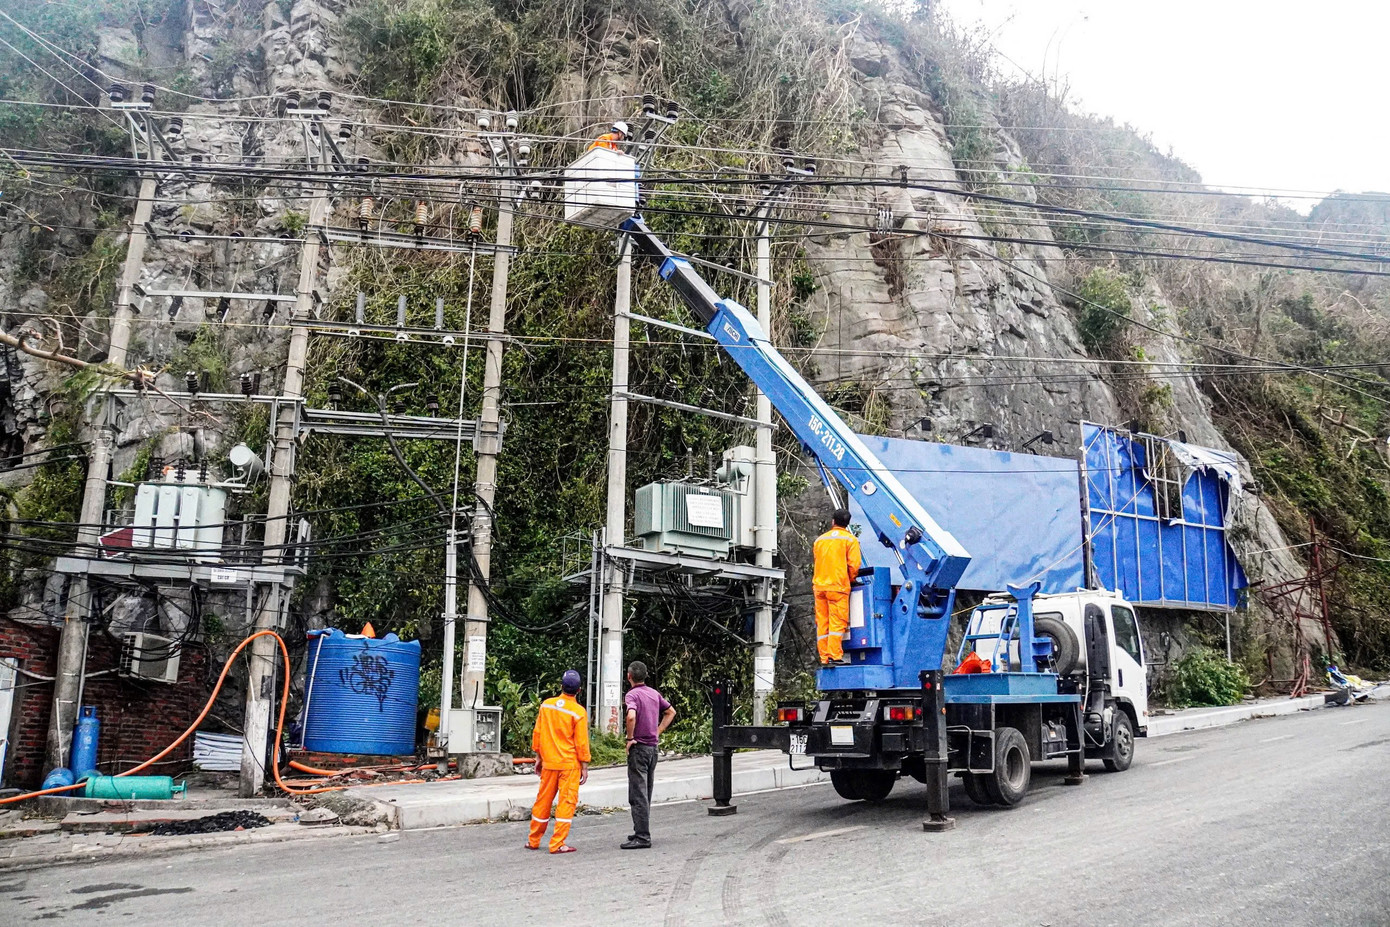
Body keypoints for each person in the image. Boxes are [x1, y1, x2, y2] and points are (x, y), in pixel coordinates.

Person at [526, 669, 591, 854]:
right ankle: (557, 844)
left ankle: (533, 840)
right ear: (579, 690)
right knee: (566, 803)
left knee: (543, 801)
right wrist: (584, 765)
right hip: (569, 765)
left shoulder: (547, 705)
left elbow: (537, 733)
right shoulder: (578, 712)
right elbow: (581, 742)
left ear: (561, 686)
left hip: (549, 763)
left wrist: (538, 757)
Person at [621, 661, 675, 850]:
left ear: (629, 676)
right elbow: (670, 712)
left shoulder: (632, 695)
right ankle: (640, 830)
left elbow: (631, 716)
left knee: (638, 793)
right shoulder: (654, 693)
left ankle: (642, 836)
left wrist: (629, 738)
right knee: (646, 791)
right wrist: (657, 730)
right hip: (653, 749)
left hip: (640, 748)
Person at [813, 508, 861, 665]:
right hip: (838, 587)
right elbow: (854, 566)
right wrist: (851, 579)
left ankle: (824, 657)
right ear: (847, 524)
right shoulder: (849, 540)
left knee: (822, 622)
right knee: (837, 622)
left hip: (820, 586)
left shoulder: (819, 540)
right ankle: (834, 655)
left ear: (833, 521)